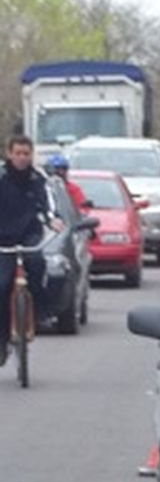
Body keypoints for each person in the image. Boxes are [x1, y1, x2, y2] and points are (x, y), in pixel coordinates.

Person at [0, 136, 60, 367]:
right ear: (9, 153)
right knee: (2, 285)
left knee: (36, 264)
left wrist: (53, 220)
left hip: (29, 235)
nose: (22, 158)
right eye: (18, 153)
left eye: (26, 153)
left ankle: (37, 313)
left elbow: (48, 207)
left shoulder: (38, 179)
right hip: (3, 238)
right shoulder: (2, 178)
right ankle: (3, 337)